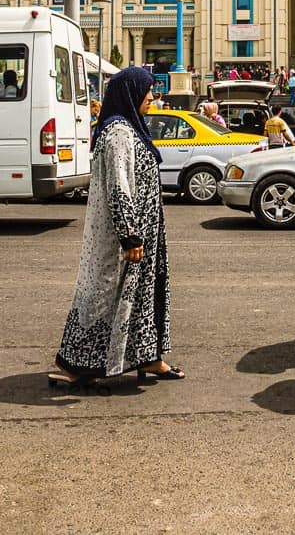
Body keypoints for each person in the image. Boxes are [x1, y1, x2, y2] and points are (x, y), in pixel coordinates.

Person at [51, 67, 183, 387]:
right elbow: (118, 187)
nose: (151, 97)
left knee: (142, 296)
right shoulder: (118, 133)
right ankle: (75, 363)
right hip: (126, 237)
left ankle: (149, 358)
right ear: (130, 93)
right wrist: (130, 236)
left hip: (145, 230)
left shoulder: (130, 128)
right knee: (104, 296)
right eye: (147, 90)